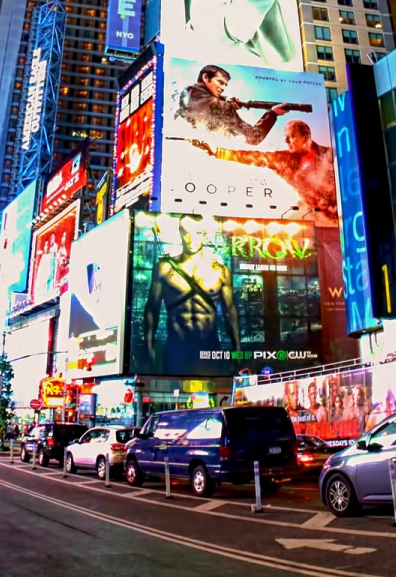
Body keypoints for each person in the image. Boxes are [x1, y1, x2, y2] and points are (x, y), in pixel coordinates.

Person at [189, 118, 338, 225]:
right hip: (310, 222)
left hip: (339, 221)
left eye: (291, 137)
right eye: (285, 137)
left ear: (306, 137)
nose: (286, 141)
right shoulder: (283, 159)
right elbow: (256, 157)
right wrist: (218, 152)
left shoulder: (331, 155)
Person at [141, 217, 239, 373]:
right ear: (180, 233)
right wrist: (148, 345)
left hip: (210, 347)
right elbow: (152, 309)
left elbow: (230, 312)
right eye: (187, 233)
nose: (192, 239)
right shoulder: (164, 268)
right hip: (177, 348)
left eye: (198, 233)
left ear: (205, 234)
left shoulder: (220, 271)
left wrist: (237, 350)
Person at [174, 64, 298, 144]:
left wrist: (272, 114)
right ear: (206, 77)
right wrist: (272, 114)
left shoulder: (222, 108)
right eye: (220, 82)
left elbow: (253, 137)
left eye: (225, 85)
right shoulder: (191, 92)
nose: (223, 88)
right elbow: (207, 105)